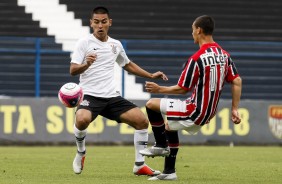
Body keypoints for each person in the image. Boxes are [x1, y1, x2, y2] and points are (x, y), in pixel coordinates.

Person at [140, 15, 242, 180]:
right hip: (208, 112)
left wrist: (159, 89)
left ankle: (160, 145)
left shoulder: (197, 58)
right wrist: (235, 108)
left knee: (151, 104)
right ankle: (169, 172)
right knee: (170, 126)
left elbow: (182, 89)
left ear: (199, 30)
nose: (192, 34)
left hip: (195, 110)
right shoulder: (224, 55)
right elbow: (236, 81)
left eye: (192, 30)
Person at [70, 6, 168, 176]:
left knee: (142, 121)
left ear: (110, 23)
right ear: (91, 23)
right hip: (90, 95)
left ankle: (139, 165)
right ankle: (81, 152)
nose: (100, 25)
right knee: (82, 119)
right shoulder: (84, 43)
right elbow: (72, 70)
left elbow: (127, 64)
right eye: (96, 22)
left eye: (104, 22)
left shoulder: (115, 44)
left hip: (111, 97)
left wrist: (150, 75)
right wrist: (86, 64)